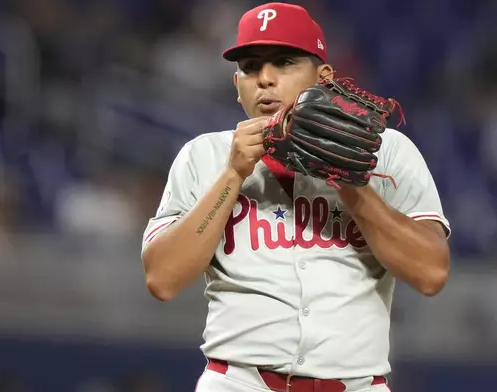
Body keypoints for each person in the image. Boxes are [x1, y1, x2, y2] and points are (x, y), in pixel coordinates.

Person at [140, 3, 451, 391]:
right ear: (236, 83)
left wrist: (349, 182)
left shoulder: (384, 153)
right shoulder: (204, 156)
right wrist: (232, 175)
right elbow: (162, 279)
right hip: (238, 382)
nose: (265, 79)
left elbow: (431, 273)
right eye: (250, 66)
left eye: (284, 62)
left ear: (323, 76)